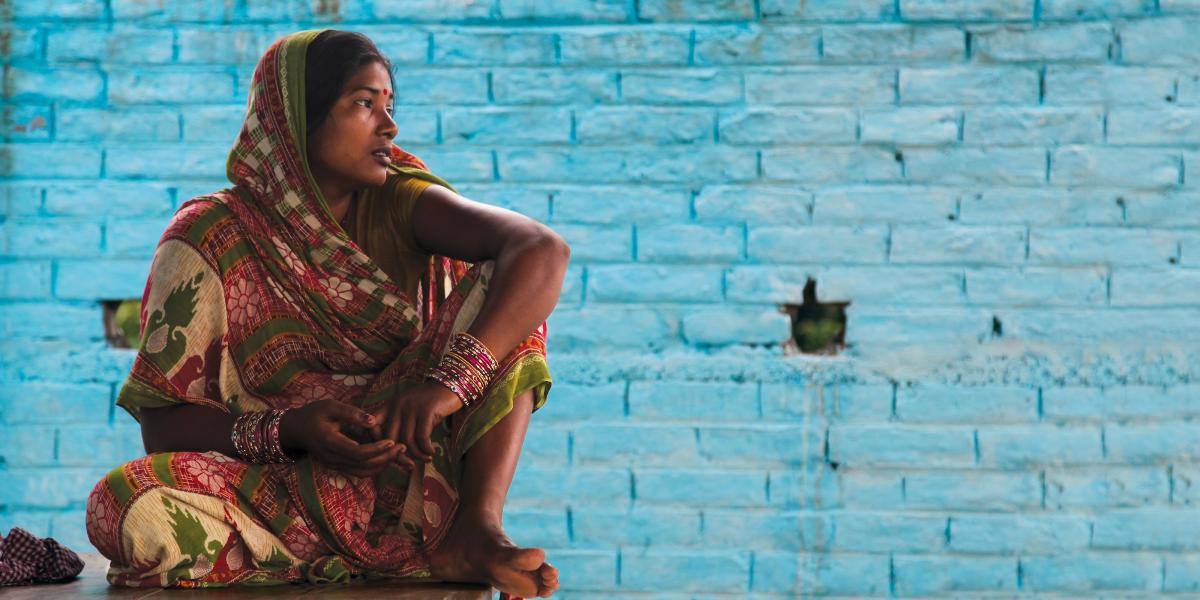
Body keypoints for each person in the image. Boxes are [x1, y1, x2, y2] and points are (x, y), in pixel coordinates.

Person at [84, 29, 569, 599]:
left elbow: (541, 250)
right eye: (364, 104)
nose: (388, 126)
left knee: (510, 291)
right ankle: (340, 557)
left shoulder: (400, 198)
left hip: (409, 480)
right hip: (277, 494)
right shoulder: (210, 238)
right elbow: (162, 426)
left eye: (390, 106)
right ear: (295, 118)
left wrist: (443, 389)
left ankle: (474, 531)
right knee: (122, 501)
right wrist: (291, 429)